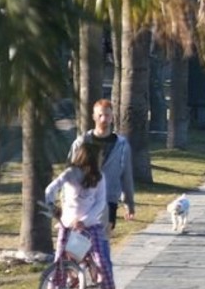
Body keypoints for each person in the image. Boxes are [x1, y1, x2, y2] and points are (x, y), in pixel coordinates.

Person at [45, 142, 115, 289]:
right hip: (68, 226)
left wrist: (84, 221)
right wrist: (52, 206)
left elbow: (100, 203)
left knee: (102, 262)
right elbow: (50, 189)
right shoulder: (70, 173)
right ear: (91, 157)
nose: (102, 158)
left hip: (91, 227)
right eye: (100, 156)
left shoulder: (100, 177)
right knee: (60, 263)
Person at [69, 99, 135, 232]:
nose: (104, 119)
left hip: (108, 199)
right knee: (81, 242)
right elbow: (70, 174)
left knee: (103, 241)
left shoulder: (122, 145)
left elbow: (126, 175)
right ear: (94, 117)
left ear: (112, 117)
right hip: (84, 200)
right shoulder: (81, 142)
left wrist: (129, 203)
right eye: (100, 115)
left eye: (107, 115)